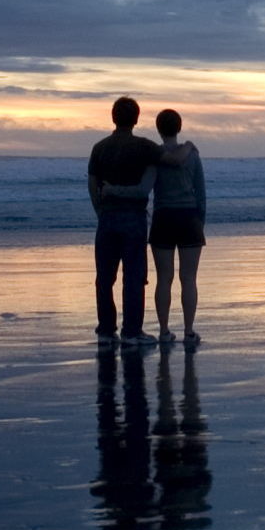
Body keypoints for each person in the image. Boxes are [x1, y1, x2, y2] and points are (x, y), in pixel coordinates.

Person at [89, 97, 161, 345]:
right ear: (137, 119)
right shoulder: (145, 147)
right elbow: (170, 158)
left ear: (113, 117)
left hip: (107, 217)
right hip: (134, 217)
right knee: (134, 275)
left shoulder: (100, 147)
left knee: (104, 276)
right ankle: (132, 331)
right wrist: (189, 149)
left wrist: (100, 210)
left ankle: (106, 328)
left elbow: (92, 185)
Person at [147, 109, 206, 344]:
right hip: (188, 216)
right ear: (179, 127)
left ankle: (163, 330)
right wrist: (200, 220)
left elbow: (150, 186)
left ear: (159, 129)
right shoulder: (192, 155)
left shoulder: (156, 155)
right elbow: (201, 192)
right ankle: (189, 330)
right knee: (189, 278)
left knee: (164, 278)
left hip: (163, 216)